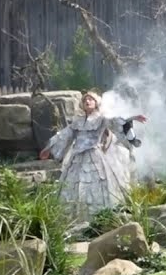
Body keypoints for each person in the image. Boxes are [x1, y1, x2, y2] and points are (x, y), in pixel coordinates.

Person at [39, 91, 147, 221]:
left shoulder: (101, 118)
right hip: (77, 158)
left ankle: (101, 216)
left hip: (94, 155)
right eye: (85, 100)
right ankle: (73, 217)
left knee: (97, 182)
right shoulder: (77, 121)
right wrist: (48, 148)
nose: (87, 101)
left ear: (96, 103)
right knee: (73, 183)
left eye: (91, 99)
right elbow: (64, 135)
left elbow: (116, 120)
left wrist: (133, 117)